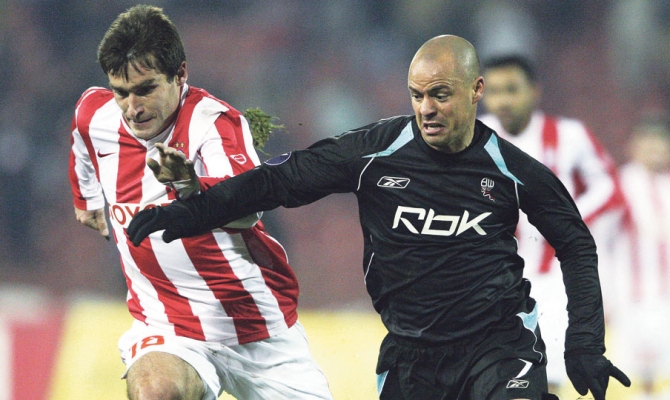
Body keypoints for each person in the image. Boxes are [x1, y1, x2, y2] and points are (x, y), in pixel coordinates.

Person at [127, 34, 630, 400]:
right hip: (411, 355)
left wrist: (584, 344)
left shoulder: (513, 169)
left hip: (498, 345)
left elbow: (576, 243)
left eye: (440, 94)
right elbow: (278, 181)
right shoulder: (374, 152)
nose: (426, 108)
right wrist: (194, 208)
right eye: (417, 95)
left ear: (476, 90)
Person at [68, 5, 332, 400]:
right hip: (167, 325)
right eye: (121, 92)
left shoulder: (215, 123)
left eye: (146, 89)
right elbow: (81, 141)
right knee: (156, 391)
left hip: (255, 328)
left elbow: (247, 212)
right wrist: (86, 199)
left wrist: (190, 185)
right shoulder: (95, 114)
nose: (132, 107)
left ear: (180, 75)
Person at [478, 54, 625, 394]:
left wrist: (565, 220)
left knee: (550, 378)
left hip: (556, 278)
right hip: (494, 279)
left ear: (534, 91)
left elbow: (609, 188)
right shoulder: (474, 137)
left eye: (512, 89)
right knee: (496, 379)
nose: (503, 101)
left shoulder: (569, 135)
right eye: (494, 91)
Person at [610, 117, 670, 399]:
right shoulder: (619, 185)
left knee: (663, 377)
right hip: (630, 297)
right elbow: (600, 240)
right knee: (634, 378)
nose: (654, 149)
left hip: (666, 297)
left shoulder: (668, 186)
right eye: (648, 142)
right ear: (633, 147)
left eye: (660, 142)